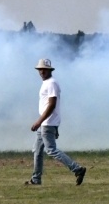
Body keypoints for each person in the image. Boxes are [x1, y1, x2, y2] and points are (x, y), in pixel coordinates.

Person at [25, 58, 86, 186]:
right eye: (40, 69)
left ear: (49, 70)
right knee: (37, 150)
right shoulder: (47, 83)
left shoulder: (51, 83)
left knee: (51, 150)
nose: (42, 72)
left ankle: (77, 169)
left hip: (47, 123)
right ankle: (36, 179)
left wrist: (39, 121)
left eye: (44, 70)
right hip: (46, 123)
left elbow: (52, 105)